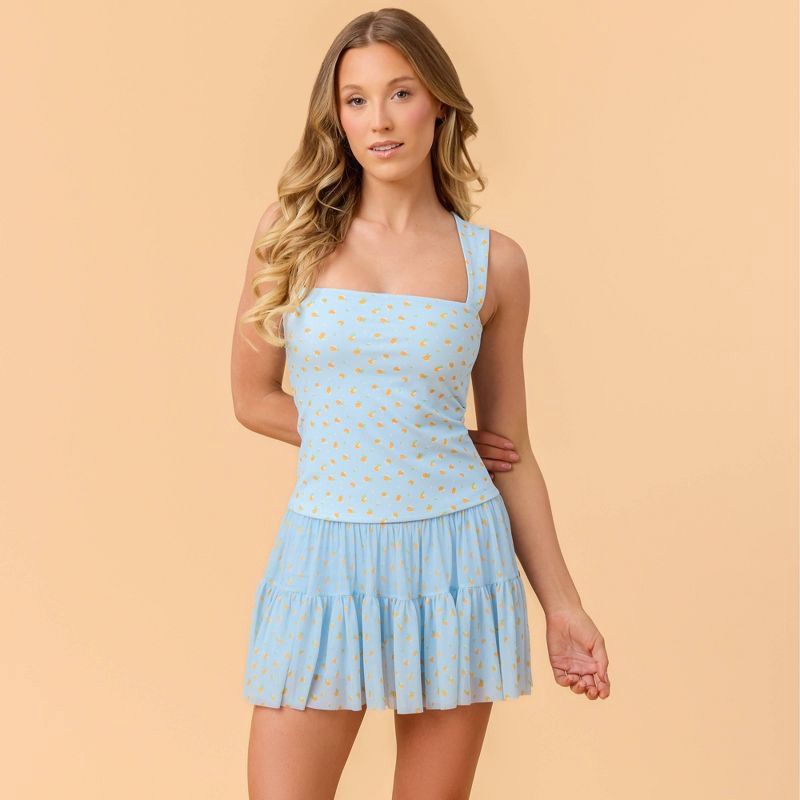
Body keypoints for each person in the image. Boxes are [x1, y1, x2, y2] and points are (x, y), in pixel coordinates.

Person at [231, 8, 611, 799]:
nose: (379, 120)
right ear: (337, 117)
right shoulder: (287, 235)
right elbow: (253, 398)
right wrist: (388, 438)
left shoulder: (495, 264)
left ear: (438, 103)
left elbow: (511, 452)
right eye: (356, 100)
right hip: (324, 556)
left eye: (400, 93)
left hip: (454, 559)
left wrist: (564, 608)